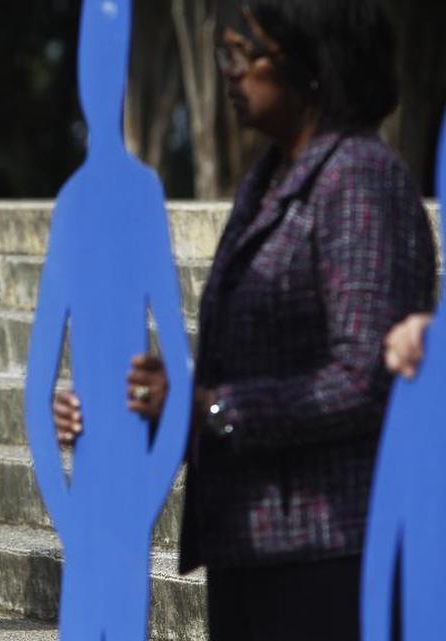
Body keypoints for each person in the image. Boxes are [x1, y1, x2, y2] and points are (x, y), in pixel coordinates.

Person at [54, 1, 435, 639]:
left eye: (244, 54)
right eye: (225, 55)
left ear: (314, 62)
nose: (231, 73)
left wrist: (207, 407)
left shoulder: (359, 180)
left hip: (330, 549)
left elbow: (363, 380)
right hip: (254, 544)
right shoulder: (267, 180)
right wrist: (150, 404)